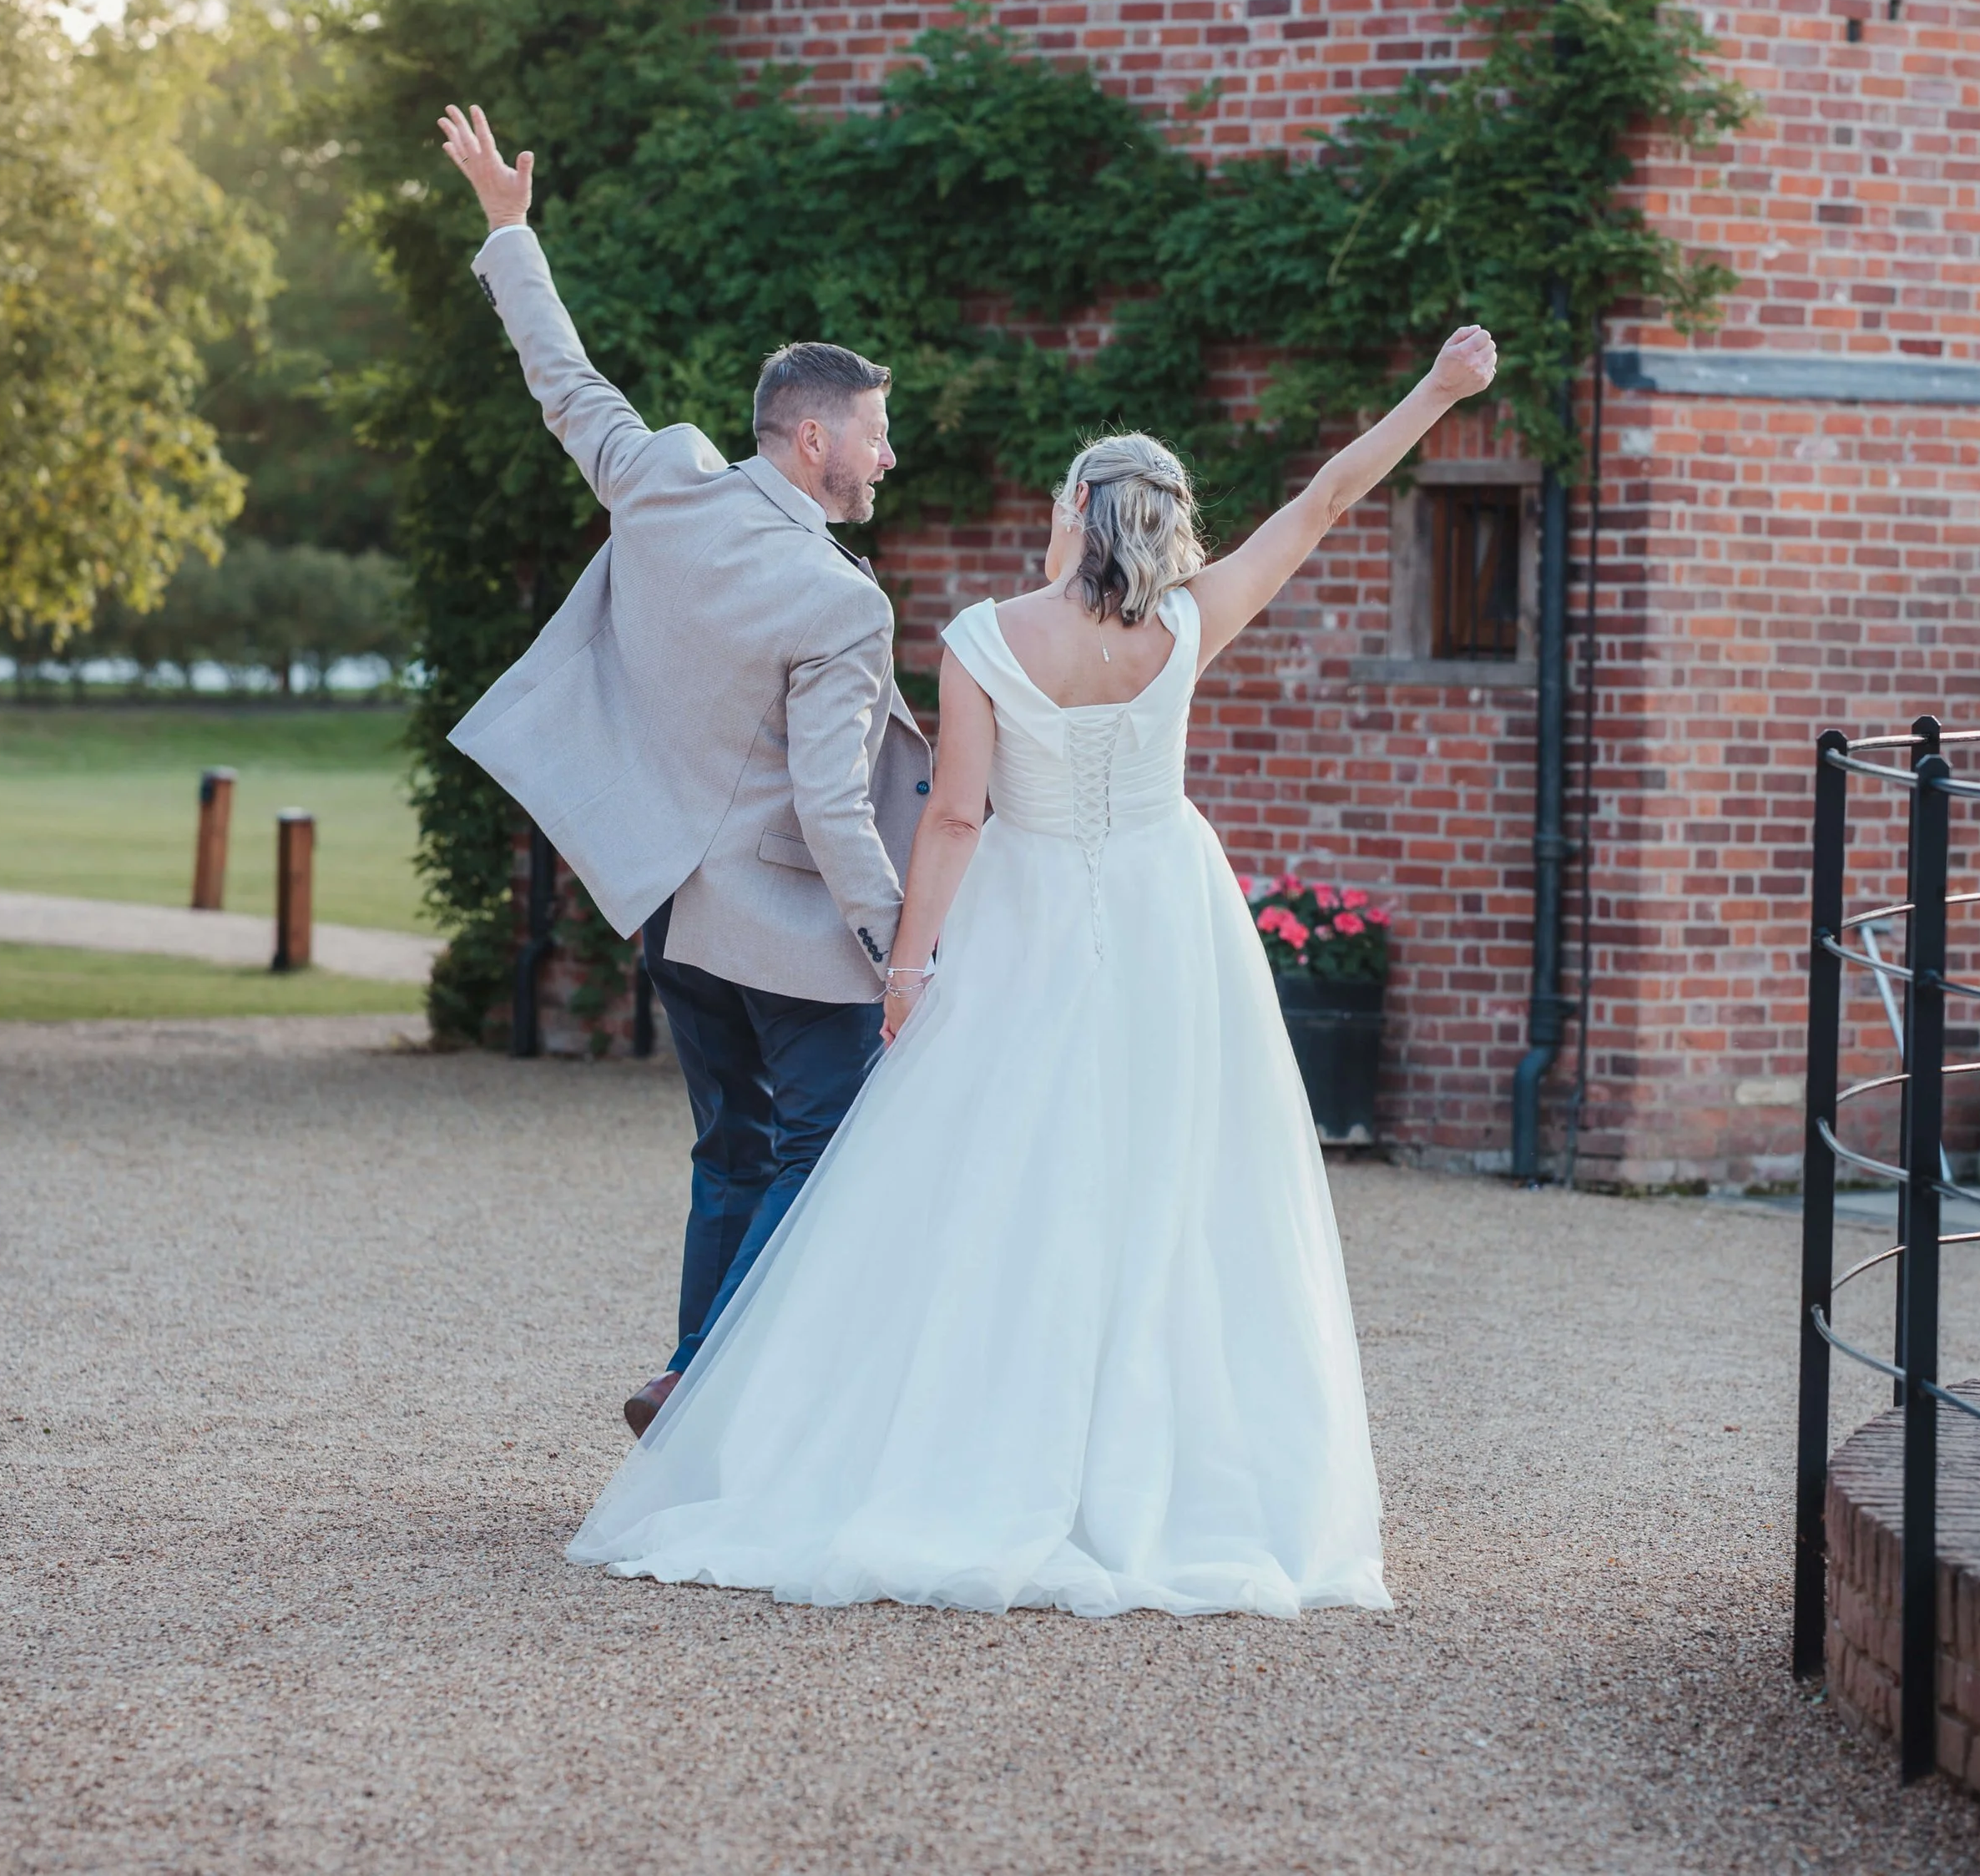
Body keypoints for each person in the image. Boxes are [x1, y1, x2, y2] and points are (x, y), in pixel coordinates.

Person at [567, 321, 1498, 1617]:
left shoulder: (987, 637)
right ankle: (1162, 1475)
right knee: (1166, 1185)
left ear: (1073, 513)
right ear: (1168, 524)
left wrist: (904, 975)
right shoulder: (1192, 619)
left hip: (1025, 916)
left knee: (990, 1181)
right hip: (1175, 923)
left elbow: (951, 822)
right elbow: (1327, 494)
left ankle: (935, 1444)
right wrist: (1440, 390)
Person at [436, 103, 931, 1438]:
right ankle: (707, 1375)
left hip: (667, 905)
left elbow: (567, 384)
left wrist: (509, 231)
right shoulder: (840, 604)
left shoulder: (661, 486)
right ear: (812, 438)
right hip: (794, 932)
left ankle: (693, 1377)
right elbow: (833, 805)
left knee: (731, 1148)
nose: (889, 454)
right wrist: (899, 947)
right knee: (821, 1147)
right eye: (875, 432)